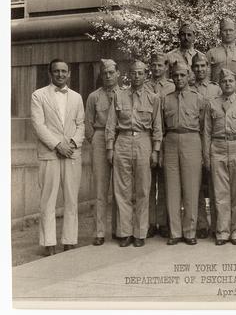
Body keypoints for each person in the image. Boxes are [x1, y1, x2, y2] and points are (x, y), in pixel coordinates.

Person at [31, 59, 85, 256]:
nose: (60, 74)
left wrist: (71, 143)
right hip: (49, 154)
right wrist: (57, 145)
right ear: (50, 73)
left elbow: (81, 124)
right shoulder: (38, 95)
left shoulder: (77, 97)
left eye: (64, 71)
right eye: (56, 71)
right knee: (48, 199)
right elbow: (39, 125)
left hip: (71, 153)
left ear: (69, 73)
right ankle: (49, 243)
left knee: (71, 198)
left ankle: (70, 240)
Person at [106, 60, 163, 248]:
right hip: (122, 141)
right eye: (133, 73)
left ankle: (140, 232)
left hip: (144, 142)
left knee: (143, 189)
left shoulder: (153, 98)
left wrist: (155, 151)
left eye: (140, 73)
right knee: (122, 190)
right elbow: (110, 125)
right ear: (128, 75)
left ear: (145, 74)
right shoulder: (118, 96)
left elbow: (157, 127)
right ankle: (125, 232)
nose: (136, 76)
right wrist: (110, 148)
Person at [203, 69, 236, 245]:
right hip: (217, 147)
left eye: (230, 81)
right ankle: (222, 232)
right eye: (224, 81)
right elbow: (207, 132)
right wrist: (207, 156)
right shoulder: (212, 104)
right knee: (220, 192)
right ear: (219, 83)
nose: (227, 83)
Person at [162, 61, 205, 246]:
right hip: (171, 141)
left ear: (189, 76)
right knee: (172, 189)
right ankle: (175, 232)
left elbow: (204, 127)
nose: (179, 79)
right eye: (175, 75)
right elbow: (161, 127)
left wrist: (203, 151)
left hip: (192, 140)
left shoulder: (198, 98)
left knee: (191, 188)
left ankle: (189, 231)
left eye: (182, 75)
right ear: (172, 77)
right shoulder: (166, 99)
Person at [84, 58, 119, 246]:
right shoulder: (93, 97)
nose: (108, 76)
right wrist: (96, 140)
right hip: (99, 137)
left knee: (121, 188)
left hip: (120, 139)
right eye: (105, 73)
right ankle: (99, 232)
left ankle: (118, 230)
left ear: (118, 74)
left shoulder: (124, 94)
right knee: (100, 188)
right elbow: (87, 123)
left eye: (111, 72)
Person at [144, 52, 175, 239]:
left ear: (166, 67)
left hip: (167, 136)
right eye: (153, 65)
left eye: (160, 65)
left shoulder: (172, 86)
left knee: (164, 182)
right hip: (147, 137)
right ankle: (148, 222)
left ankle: (163, 222)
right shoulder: (144, 85)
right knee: (147, 182)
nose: (156, 68)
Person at [191, 52, 220, 238]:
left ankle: (218, 224)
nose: (200, 69)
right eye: (197, 67)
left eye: (203, 66)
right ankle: (201, 224)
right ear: (192, 69)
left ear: (208, 67)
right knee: (197, 184)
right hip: (194, 138)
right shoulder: (189, 88)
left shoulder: (216, 90)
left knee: (216, 184)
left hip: (214, 140)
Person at [206, 17, 236, 82]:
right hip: (217, 90)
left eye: (231, 30)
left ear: (235, 32)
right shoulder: (211, 53)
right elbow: (206, 78)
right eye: (225, 30)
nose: (228, 33)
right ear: (220, 33)